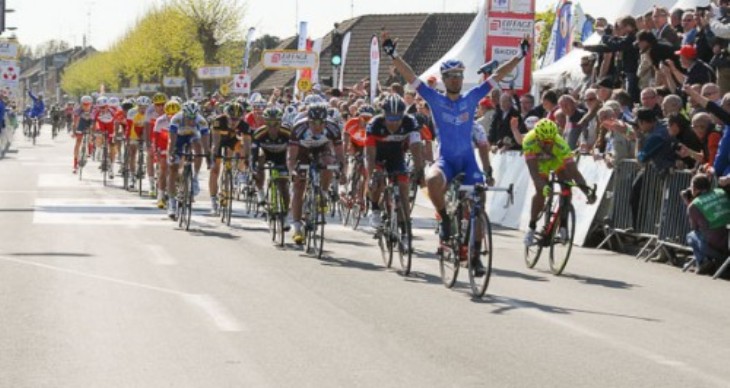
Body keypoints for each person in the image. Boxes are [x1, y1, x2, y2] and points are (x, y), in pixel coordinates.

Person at [383, 30, 527, 247]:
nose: (456, 79)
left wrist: (520, 56)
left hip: (468, 161)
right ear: (444, 79)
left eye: (459, 75)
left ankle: (476, 252)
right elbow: (411, 76)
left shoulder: (472, 97)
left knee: (479, 203)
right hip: (446, 161)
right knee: (432, 180)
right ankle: (446, 218)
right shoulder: (434, 99)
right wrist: (394, 55)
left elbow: (496, 75)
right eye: (451, 76)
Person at [522, 119, 596, 246]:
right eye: (545, 142)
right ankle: (532, 226)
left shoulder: (560, 144)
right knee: (540, 192)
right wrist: (544, 187)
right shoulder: (529, 141)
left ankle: (563, 225)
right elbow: (534, 173)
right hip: (539, 163)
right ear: (537, 138)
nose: (548, 145)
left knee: (567, 184)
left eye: (551, 141)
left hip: (556, 160)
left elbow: (575, 173)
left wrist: (587, 191)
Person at [287, 103, 346, 244]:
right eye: (314, 123)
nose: (318, 126)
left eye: (321, 123)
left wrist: (342, 171)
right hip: (302, 151)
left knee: (329, 163)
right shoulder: (299, 128)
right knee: (299, 186)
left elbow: (339, 154)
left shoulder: (333, 128)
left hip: (321, 149)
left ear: (326, 121)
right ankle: (297, 227)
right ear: (308, 121)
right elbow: (292, 157)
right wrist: (292, 171)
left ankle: (323, 194)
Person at [365, 94, 425, 231]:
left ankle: (405, 226)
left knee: (403, 186)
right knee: (377, 181)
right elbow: (370, 154)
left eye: (398, 117)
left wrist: (419, 169)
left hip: (396, 155)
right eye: (390, 117)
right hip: (377, 156)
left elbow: (416, 147)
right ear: (383, 114)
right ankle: (374, 208)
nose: (394, 122)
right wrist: (372, 174)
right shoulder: (374, 124)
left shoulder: (410, 122)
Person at [166, 101, 211, 218]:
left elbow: (205, 140)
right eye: (188, 118)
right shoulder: (176, 118)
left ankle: (195, 176)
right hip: (178, 138)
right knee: (173, 170)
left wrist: (207, 156)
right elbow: (172, 139)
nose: (191, 121)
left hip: (192, 136)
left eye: (193, 118)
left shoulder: (201, 120)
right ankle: (171, 203)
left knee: (198, 146)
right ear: (183, 114)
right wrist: (171, 153)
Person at [209, 102, 251, 214]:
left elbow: (247, 144)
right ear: (226, 115)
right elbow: (216, 142)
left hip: (231, 140)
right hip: (217, 140)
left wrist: (246, 159)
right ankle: (213, 201)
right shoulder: (218, 121)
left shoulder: (244, 125)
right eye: (231, 119)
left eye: (237, 119)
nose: (234, 122)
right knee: (215, 171)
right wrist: (214, 156)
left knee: (243, 149)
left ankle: (240, 172)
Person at [683, 174, 730, 274]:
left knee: (691, 236)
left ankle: (702, 262)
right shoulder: (721, 192)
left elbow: (695, 228)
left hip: (718, 247)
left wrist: (688, 204)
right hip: (727, 239)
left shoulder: (694, 205)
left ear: (695, 189)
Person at [252, 107, 291, 223]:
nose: (272, 127)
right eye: (269, 123)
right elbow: (253, 151)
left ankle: (284, 214)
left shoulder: (287, 132)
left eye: (276, 123)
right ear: (265, 122)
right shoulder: (259, 132)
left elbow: (294, 150)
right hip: (266, 154)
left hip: (282, 156)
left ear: (281, 122)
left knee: (283, 185)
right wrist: (254, 167)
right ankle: (261, 194)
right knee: (260, 157)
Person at [154, 100, 181, 211]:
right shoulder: (160, 121)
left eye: (174, 115)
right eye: (169, 115)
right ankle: (160, 197)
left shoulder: (181, 120)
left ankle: (179, 191)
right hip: (163, 145)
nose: (172, 117)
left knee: (178, 171)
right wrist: (157, 151)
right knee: (163, 170)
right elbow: (155, 137)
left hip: (177, 144)